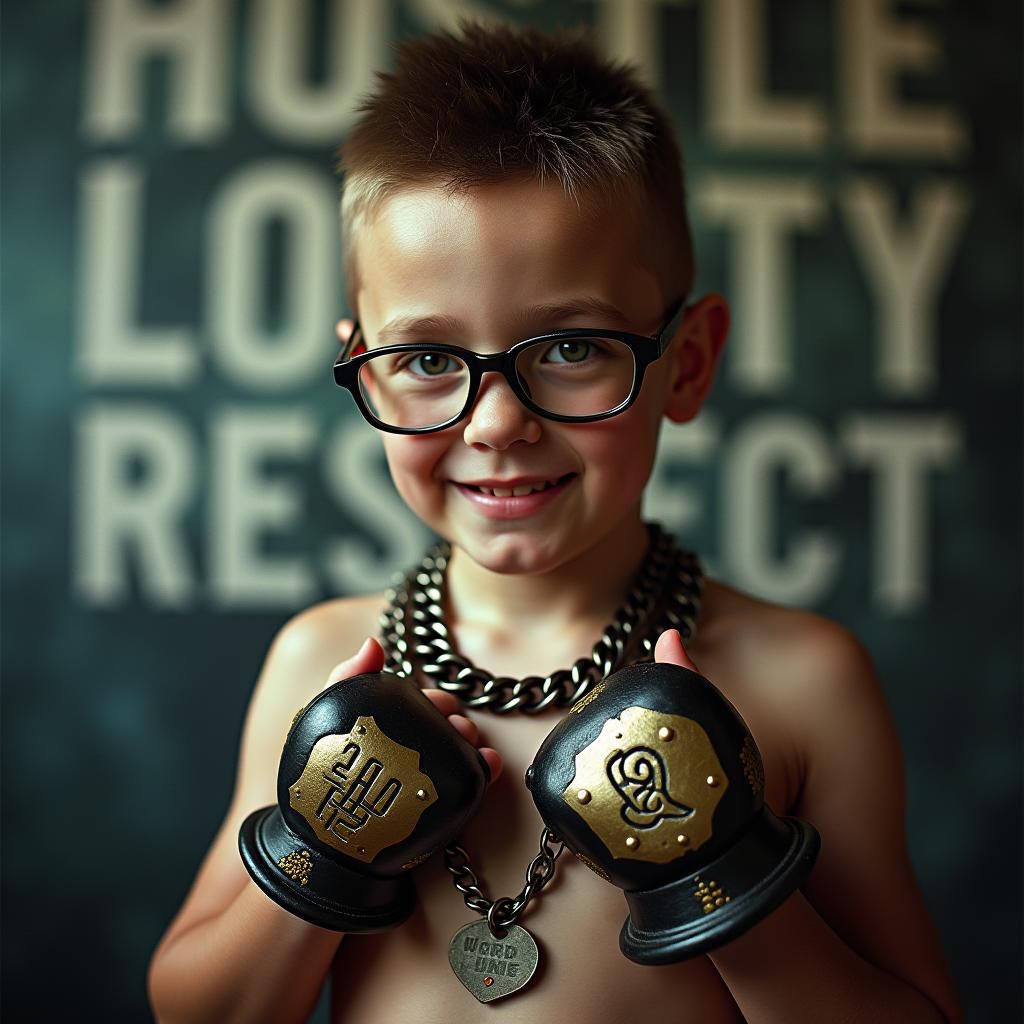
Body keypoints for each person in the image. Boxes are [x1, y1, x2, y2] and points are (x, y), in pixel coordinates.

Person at [148, 22, 961, 1024]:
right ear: (363, 363)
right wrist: (323, 848)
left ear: (689, 361)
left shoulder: (799, 681)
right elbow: (200, 1008)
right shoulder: (321, 658)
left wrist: (713, 866)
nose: (496, 422)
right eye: (428, 359)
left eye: (571, 344)